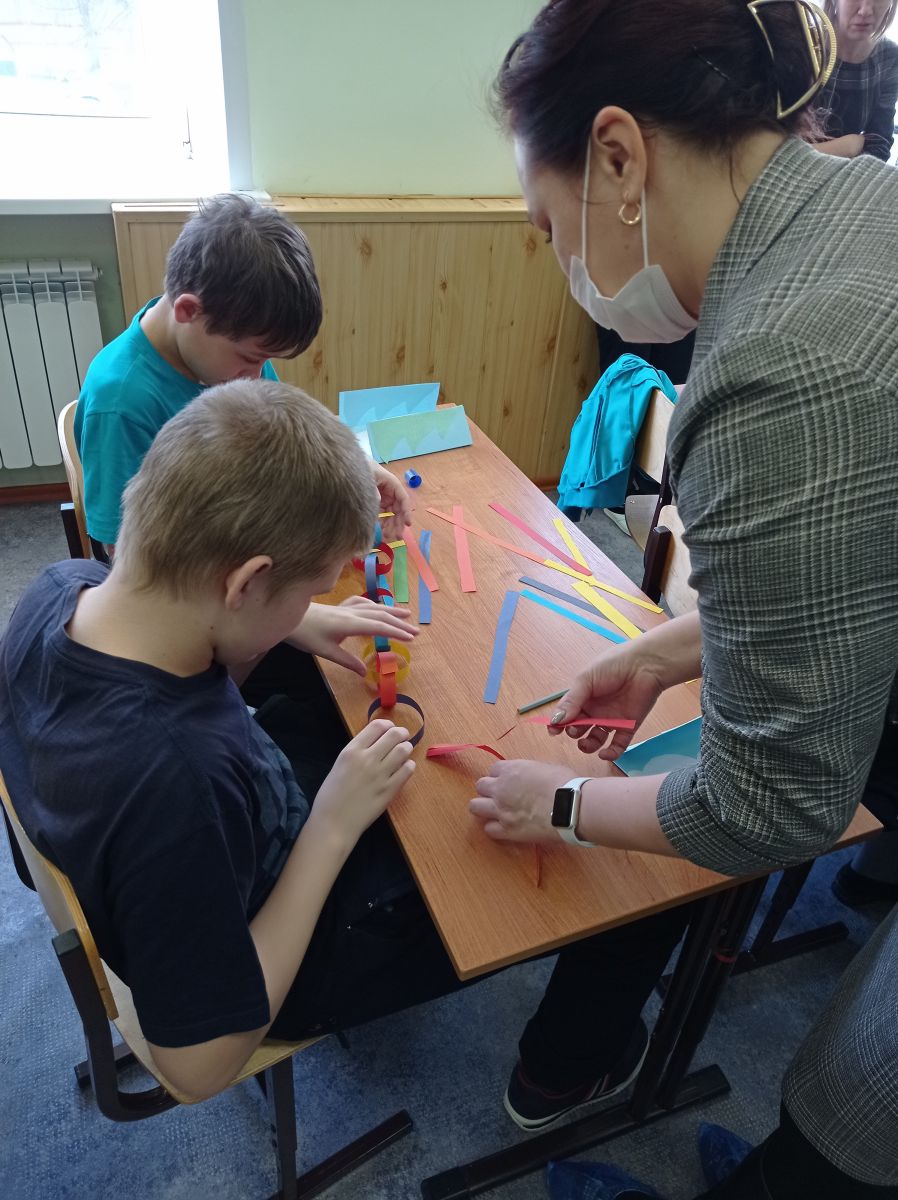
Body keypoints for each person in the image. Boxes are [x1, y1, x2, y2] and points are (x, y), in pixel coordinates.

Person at [477, 0, 898, 1195]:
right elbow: (861, 557)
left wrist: (560, 803)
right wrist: (665, 652)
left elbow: (770, 808)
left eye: (546, 223)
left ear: (618, 157)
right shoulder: (862, 200)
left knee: (858, 1111)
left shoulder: (777, 370)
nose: (559, 257)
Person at [0, 378, 682, 1112]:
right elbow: (198, 1066)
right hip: (288, 959)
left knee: (337, 701)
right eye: (307, 592)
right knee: (642, 875)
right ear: (247, 582)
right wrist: (331, 826)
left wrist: (295, 626)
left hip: (232, 836)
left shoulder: (60, 588)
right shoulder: (177, 783)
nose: (314, 604)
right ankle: (560, 1074)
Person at [74, 193, 412, 558]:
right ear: (188, 311)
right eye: (252, 358)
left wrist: (357, 465)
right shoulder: (121, 404)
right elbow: (127, 554)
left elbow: (283, 429)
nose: (255, 375)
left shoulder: (226, 350)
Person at [815, 0, 898, 160]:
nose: (865, 11)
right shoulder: (800, 44)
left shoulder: (890, 57)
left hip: (844, 174)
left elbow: (879, 144)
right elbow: (772, 144)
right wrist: (848, 146)